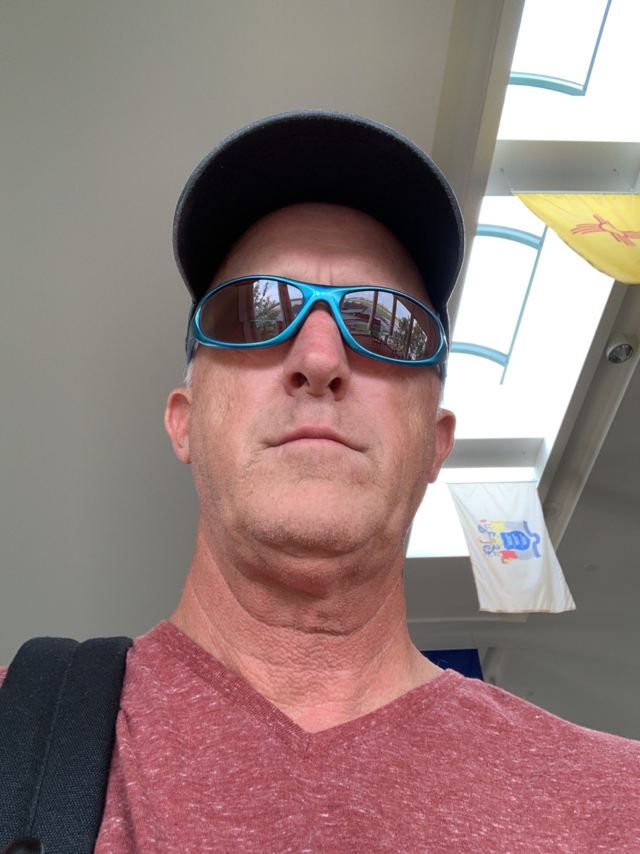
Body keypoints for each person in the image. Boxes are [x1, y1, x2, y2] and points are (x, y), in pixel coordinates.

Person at [3, 111, 640, 852]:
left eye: (385, 323)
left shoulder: (620, 805)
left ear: (435, 446)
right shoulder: (19, 732)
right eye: (253, 312)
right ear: (185, 421)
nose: (319, 358)